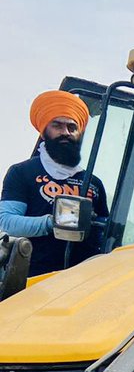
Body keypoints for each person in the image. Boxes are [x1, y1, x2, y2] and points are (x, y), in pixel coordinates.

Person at [0, 90, 107, 276]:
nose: (65, 132)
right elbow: (7, 221)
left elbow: (106, 230)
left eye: (72, 127)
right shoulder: (22, 172)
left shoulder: (94, 183)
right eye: (57, 125)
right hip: (30, 278)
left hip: (83, 280)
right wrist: (54, 222)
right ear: (43, 132)